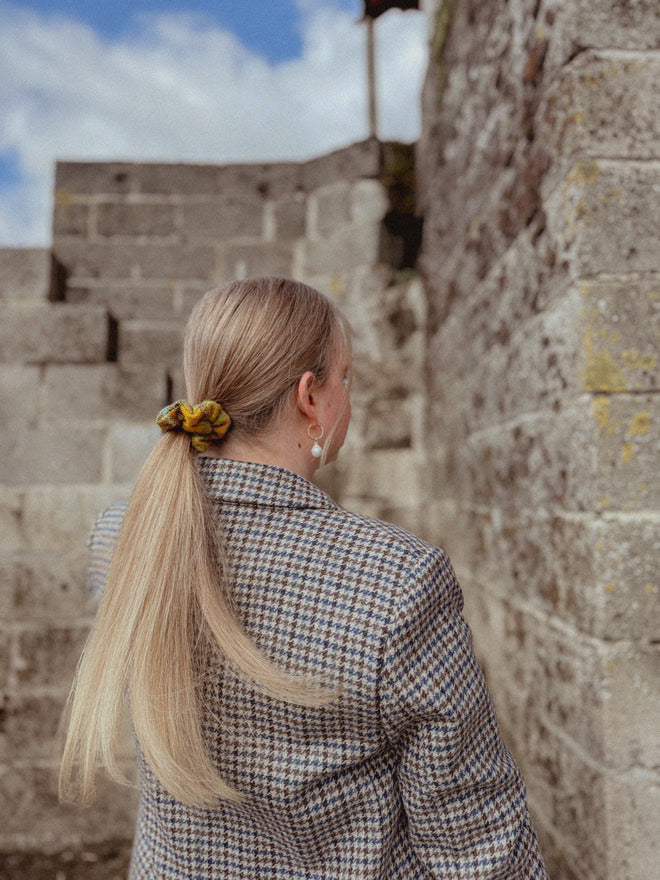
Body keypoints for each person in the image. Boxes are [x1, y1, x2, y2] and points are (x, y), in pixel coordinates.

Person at [60, 277, 548, 879]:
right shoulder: (396, 580)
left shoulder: (120, 538)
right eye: (345, 378)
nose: (348, 396)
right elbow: (478, 846)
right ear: (310, 398)